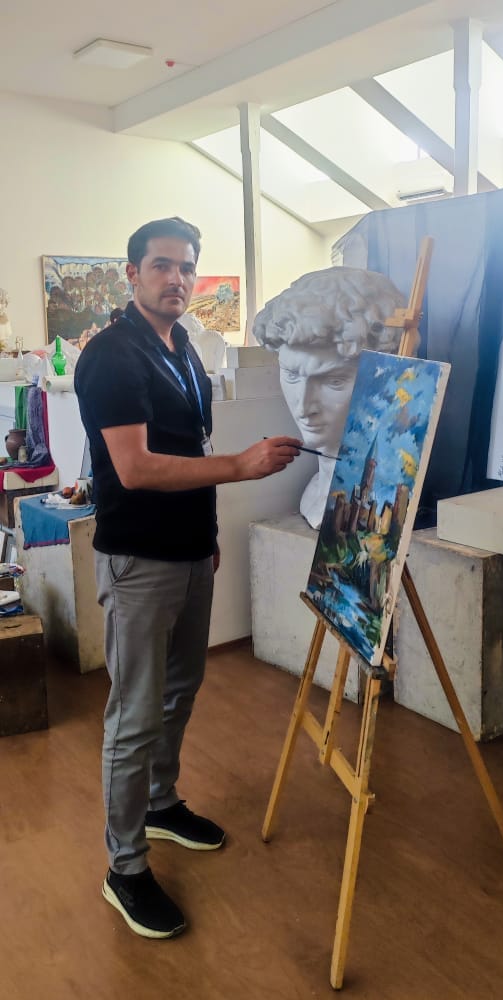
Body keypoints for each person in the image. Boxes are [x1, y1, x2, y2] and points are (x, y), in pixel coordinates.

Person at [74, 216, 300, 941]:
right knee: (135, 715)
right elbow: (136, 469)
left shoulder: (182, 348)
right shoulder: (112, 356)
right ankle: (124, 868)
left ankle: (160, 804)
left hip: (189, 552)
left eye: (187, 267)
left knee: (179, 691)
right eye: (162, 265)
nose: (177, 278)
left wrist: (207, 538)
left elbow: (190, 448)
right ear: (133, 274)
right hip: (139, 561)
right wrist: (242, 467)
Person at [253, 267, 407, 528]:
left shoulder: (384, 503)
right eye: (292, 375)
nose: (304, 407)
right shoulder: (313, 492)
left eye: (334, 382)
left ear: (384, 380)